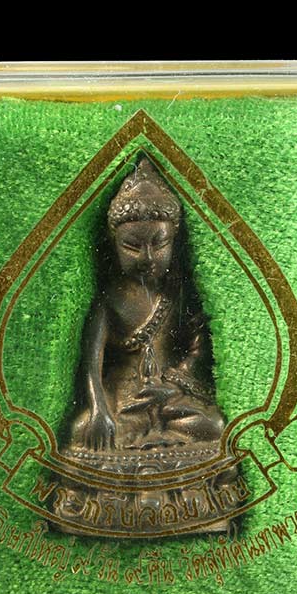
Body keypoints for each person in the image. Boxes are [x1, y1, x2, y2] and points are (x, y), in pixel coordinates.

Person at [66, 157, 225, 458]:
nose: (147, 257)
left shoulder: (177, 294)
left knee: (213, 425)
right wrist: (99, 408)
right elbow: (92, 364)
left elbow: (197, 351)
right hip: (124, 400)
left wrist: (172, 387)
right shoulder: (110, 300)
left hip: (169, 396)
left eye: (159, 243)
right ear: (114, 243)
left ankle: (155, 447)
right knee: (82, 430)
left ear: (174, 241)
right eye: (132, 246)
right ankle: (156, 448)